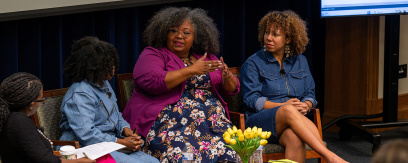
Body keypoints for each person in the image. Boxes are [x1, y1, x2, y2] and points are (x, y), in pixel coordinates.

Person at [121, 7, 240, 162]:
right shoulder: (154, 53)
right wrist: (191, 70)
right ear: (165, 32)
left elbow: (232, 89)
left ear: (196, 36)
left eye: (186, 32)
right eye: (173, 31)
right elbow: (151, 81)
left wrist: (227, 76)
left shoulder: (206, 57)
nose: (179, 36)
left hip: (213, 123)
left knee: (232, 152)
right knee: (179, 155)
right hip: (169, 123)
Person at [240, 10, 347, 163]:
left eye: (275, 34)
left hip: (293, 121)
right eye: (266, 33)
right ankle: (330, 156)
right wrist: (282, 106)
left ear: (288, 38)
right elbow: (252, 100)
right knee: (289, 109)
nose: (268, 38)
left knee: (295, 139)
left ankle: (330, 156)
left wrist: (307, 105)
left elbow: (310, 92)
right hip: (258, 123)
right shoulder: (253, 63)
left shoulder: (300, 61)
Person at [58, 36, 158, 163]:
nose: (113, 69)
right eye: (107, 65)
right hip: (85, 147)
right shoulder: (80, 93)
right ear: (93, 67)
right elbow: (86, 134)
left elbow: (115, 115)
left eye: (113, 64)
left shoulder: (104, 83)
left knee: (153, 162)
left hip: (108, 143)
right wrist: (121, 142)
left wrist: (125, 130)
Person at [0, 72, 95, 163]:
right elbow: (47, 161)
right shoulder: (18, 123)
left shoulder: (12, 118)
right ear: (31, 104)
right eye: (41, 100)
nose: (41, 103)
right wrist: (80, 162)